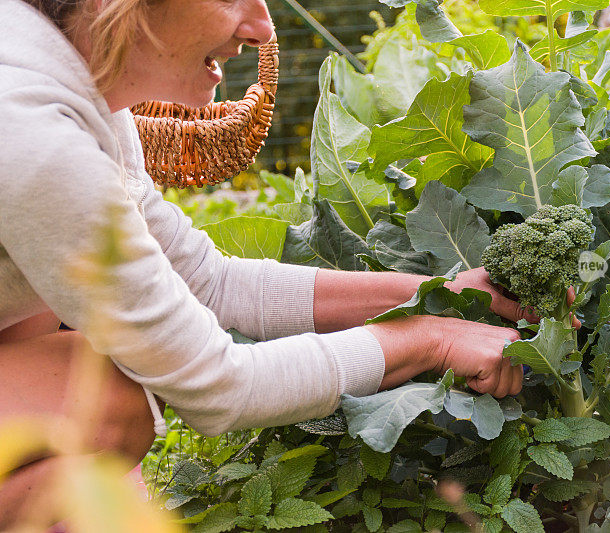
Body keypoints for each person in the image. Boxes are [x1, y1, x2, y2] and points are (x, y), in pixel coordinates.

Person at [0, 0, 579, 525]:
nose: (260, 27)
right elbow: (218, 385)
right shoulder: (33, 129)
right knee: (107, 395)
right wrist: (430, 339)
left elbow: (210, 280)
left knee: (65, 354)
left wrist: (444, 295)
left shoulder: (83, 88)